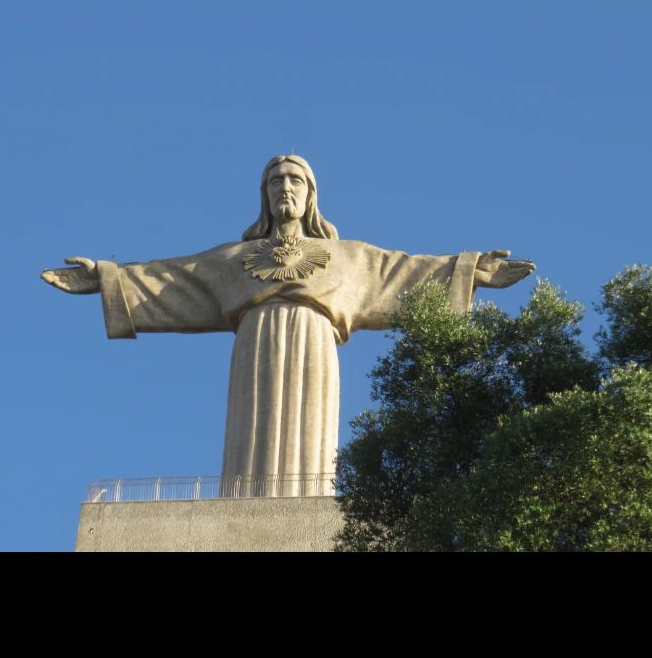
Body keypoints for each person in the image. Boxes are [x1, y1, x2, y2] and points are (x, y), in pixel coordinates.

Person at [42, 155, 535, 496]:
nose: (286, 188)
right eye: (276, 181)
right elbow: (171, 280)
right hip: (254, 344)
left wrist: (471, 272)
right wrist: (108, 279)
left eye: (295, 181)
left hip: (315, 343)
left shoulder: (348, 257)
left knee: (311, 449)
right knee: (251, 439)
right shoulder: (233, 259)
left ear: (311, 195)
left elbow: (404, 271)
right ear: (264, 195)